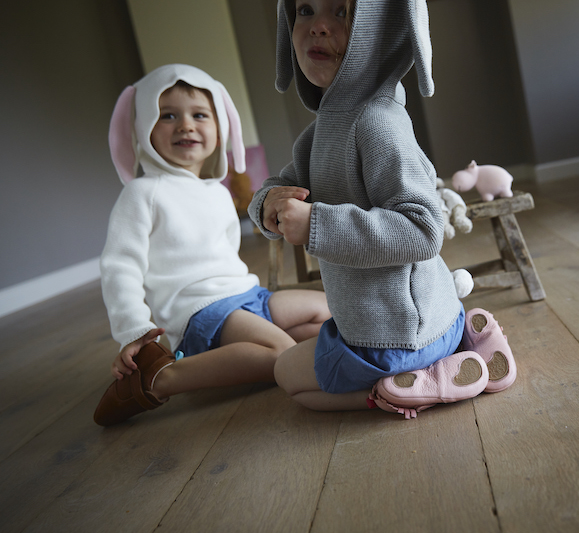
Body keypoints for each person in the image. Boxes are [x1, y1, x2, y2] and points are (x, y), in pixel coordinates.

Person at [248, 0, 516, 419]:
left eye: (340, 12)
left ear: (383, 27)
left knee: (287, 373)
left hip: (395, 340)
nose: (318, 26)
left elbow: (425, 228)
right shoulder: (319, 135)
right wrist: (267, 203)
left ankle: (400, 388)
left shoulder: (377, 122)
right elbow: (281, 183)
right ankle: (467, 343)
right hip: (429, 318)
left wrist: (317, 224)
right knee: (306, 350)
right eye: (305, 10)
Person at [94, 64, 331, 426]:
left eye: (199, 115)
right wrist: (134, 330)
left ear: (219, 128)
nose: (185, 125)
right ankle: (162, 378)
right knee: (283, 352)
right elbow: (119, 266)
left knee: (329, 313)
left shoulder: (216, 193)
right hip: (200, 312)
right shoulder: (143, 193)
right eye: (167, 115)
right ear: (143, 129)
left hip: (249, 297)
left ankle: (257, 352)